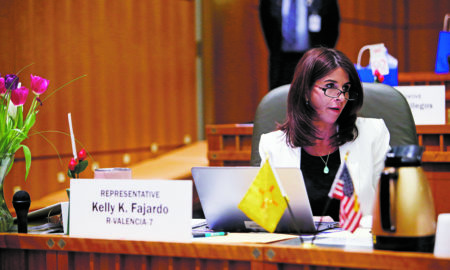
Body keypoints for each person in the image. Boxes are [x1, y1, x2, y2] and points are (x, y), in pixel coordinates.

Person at [258, 47, 390, 224]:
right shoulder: (273, 145)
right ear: (305, 91)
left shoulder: (373, 133)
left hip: (356, 244)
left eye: (346, 89)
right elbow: (266, 215)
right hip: (296, 246)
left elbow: (389, 206)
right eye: (330, 87)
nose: (341, 97)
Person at [259, 0, 340, 90]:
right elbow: (268, 25)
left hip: (313, 61)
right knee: (280, 100)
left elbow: (331, 28)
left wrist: (321, 57)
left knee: (312, 98)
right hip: (282, 63)